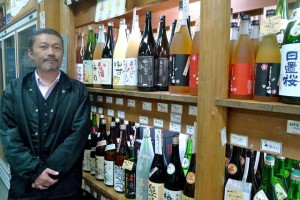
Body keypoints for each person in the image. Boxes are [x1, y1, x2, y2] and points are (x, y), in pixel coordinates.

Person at [0, 28, 91, 199]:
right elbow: (9, 136)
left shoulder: (78, 91)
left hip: (65, 188)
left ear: (62, 53)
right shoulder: (13, 90)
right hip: (25, 187)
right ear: (30, 54)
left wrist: (47, 174)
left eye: (56, 48)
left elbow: (77, 136)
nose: (51, 52)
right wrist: (35, 172)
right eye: (43, 47)